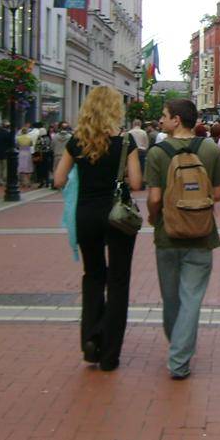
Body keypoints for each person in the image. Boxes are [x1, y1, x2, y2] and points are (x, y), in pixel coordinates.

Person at [53, 86, 142, 372]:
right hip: (117, 216)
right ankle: (110, 354)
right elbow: (136, 183)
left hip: (87, 214)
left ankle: (91, 339)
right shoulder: (125, 141)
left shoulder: (77, 142)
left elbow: (58, 179)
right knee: (118, 281)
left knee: (92, 276)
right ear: (115, 109)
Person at [144, 98, 220, 379]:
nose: (161, 120)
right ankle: (180, 356)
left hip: (167, 234)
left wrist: (153, 217)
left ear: (176, 120)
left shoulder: (157, 153)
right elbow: (218, 194)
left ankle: (178, 349)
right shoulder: (211, 149)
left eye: (164, 115)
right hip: (202, 234)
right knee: (191, 298)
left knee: (171, 299)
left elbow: (155, 198)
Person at [16, 126, 34, 190]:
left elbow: (17, 146)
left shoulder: (18, 138)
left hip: (21, 153)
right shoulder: (29, 138)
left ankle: (22, 182)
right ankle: (28, 182)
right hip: (27, 152)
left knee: (21, 168)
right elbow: (31, 144)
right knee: (28, 168)